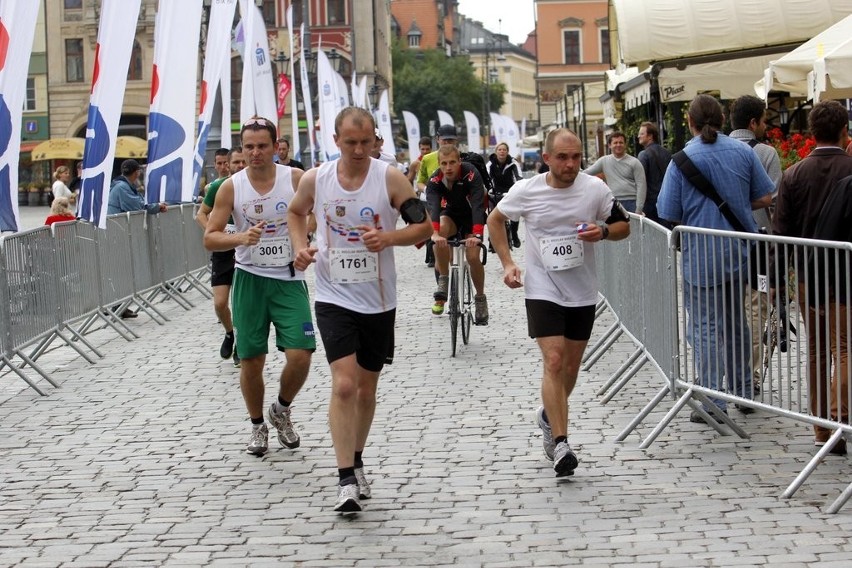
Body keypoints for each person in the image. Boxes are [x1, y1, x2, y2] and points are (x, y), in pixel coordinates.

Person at [288, 107, 432, 513]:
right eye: (350, 142)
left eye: (365, 142)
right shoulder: (318, 179)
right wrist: (301, 247)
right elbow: (296, 212)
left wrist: (388, 238)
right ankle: (345, 478)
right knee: (344, 384)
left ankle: (357, 458)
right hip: (333, 296)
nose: (358, 149)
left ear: (375, 140)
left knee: (367, 389)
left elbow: (423, 227)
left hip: (379, 300)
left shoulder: (389, 178)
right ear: (335, 140)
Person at [487, 128, 630, 477]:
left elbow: (624, 224)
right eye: (563, 157)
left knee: (569, 369)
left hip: (581, 290)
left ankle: (548, 414)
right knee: (553, 360)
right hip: (542, 288)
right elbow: (495, 220)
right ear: (546, 158)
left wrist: (605, 232)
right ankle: (562, 443)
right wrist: (508, 263)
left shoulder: (595, 189)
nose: (570, 164)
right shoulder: (527, 191)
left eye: (576, 157)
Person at [657, 94, 774, 424]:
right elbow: (765, 195)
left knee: (706, 327)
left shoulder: (681, 160)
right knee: (736, 322)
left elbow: (668, 212)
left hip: (701, 254)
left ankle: (712, 398)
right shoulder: (741, 151)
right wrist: (735, 205)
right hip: (739, 250)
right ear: (722, 120)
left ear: (691, 123)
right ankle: (741, 390)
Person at [204, 116, 315, 458]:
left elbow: (317, 214)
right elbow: (210, 236)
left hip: (288, 280)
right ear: (242, 148)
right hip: (249, 279)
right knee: (251, 360)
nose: (255, 153)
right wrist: (241, 237)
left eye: (262, 146)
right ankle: (257, 425)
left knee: (301, 353)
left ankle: (281, 410)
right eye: (249, 146)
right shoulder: (231, 187)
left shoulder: (295, 178)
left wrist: (303, 240)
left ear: (275, 146)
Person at [773, 99, 852, 456]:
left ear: (811, 133)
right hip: (845, 272)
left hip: (807, 274)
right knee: (846, 348)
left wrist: (775, 282)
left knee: (818, 351)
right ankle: (838, 419)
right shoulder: (850, 167)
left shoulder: (793, 174)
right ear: (843, 130)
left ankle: (822, 427)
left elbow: (781, 233)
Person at [729, 95, 783, 393]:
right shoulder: (765, 152)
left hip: (722, 243)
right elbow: (774, 199)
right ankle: (749, 378)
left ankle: (728, 373)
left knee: (727, 310)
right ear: (753, 122)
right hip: (759, 244)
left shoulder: (718, 149)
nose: (765, 126)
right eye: (763, 120)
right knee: (754, 312)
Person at [425, 144, 489, 323]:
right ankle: (444, 279)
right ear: (439, 164)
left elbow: (477, 205)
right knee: (440, 233)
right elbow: (434, 208)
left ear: (459, 161)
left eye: (452, 162)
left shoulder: (471, 173)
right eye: (444, 163)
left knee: (473, 257)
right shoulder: (435, 180)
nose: (448, 167)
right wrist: (436, 234)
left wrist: (476, 236)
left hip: (472, 217)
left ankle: (480, 298)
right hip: (451, 215)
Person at [196, 147, 247, 368]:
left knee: (241, 303)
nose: (239, 166)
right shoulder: (218, 187)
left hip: (245, 252)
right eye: (235, 162)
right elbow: (200, 214)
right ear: (228, 164)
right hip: (223, 252)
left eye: (242, 162)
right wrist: (216, 234)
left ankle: (240, 346)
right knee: (219, 303)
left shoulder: (252, 187)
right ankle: (229, 333)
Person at [584, 132, 647, 214]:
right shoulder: (604, 161)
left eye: (621, 142)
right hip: (613, 202)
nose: (618, 145)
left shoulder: (635, 162)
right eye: (615, 143)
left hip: (632, 202)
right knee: (615, 227)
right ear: (609, 145)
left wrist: (639, 208)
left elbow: (641, 185)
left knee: (632, 227)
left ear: (625, 145)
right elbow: (586, 173)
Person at [636, 122, 671, 224]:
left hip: (650, 203)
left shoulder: (644, 155)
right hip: (666, 200)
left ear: (650, 136)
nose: (638, 136)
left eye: (642, 133)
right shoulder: (666, 152)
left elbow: (640, 180)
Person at [488, 141, 522, 248]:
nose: (502, 152)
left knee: (515, 211)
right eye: (500, 149)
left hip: (510, 191)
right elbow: (487, 179)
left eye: (504, 150)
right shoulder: (490, 164)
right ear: (496, 151)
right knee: (491, 213)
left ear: (507, 152)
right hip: (495, 191)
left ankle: (514, 233)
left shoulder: (513, 163)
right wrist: (489, 190)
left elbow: (519, 178)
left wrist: (517, 189)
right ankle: (492, 239)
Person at [408, 136, 436, 266]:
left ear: (431, 148)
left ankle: (433, 254)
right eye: (422, 149)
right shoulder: (415, 164)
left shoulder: (435, 160)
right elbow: (409, 179)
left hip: (436, 196)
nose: (425, 151)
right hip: (422, 198)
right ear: (419, 149)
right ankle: (431, 256)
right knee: (428, 226)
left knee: (435, 225)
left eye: (427, 149)